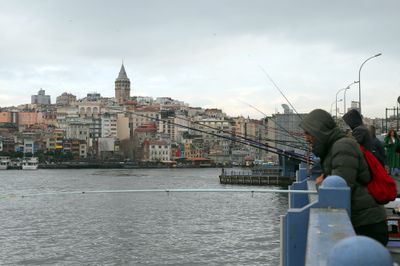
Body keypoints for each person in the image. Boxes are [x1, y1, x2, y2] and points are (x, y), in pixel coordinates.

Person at [300, 109, 388, 246]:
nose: (305, 138)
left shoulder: (343, 146)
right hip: (362, 221)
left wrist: (320, 184)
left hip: (368, 224)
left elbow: (339, 189)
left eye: (307, 133)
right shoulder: (334, 147)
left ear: (319, 130)